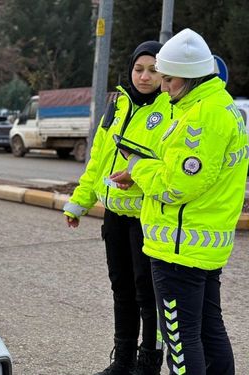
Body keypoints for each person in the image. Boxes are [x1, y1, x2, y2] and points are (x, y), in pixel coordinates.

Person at [111, 28, 247, 375]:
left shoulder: (201, 118)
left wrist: (138, 167)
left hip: (178, 247)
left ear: (188, 77)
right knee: (207, 330)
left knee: (182, 340)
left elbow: (175, 187)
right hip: (200, 243)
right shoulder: (217, 107)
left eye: (167, 78)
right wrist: (144, 168)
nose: (163, 85)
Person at [63, 41, 174, 375]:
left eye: (153, 70)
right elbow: (98, 159)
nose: (144, 76)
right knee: (122, 290)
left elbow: (168, 166)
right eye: (139, 69)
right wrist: (79, 203)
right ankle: (123, 360)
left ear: (164, 73)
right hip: (114, 217)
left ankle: (148, 363)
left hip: (147, 216)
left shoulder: (170, 109)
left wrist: (138, 178)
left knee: (147, 295)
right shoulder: (118, 104)